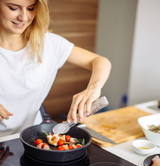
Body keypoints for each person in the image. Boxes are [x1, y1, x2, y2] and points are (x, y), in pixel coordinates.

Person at [0, 0, 111, 137]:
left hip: (32, 136)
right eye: (13, 8)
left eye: (31, 8)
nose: (24, 17)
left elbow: (100, 61)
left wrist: (93, 88)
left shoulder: (50, 44)